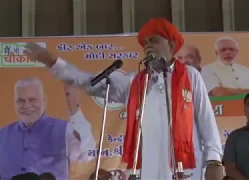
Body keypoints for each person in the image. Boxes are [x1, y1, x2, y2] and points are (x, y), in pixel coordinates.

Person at [24, 18, 223, 180]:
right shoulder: (134, 82)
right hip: (147, 171)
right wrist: (52, 61)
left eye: (153, 40)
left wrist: (214, 161)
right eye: (145, 43)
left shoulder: (190, 76)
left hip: (186, 169)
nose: (148, 46)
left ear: (171, 45)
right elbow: (88, 81)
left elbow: (207, 122)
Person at [0, 77, 95, 180]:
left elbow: (87, 154)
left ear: (44, 100)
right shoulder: (2, 134)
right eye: (20, 101)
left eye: (32, 99)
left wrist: (73, 107)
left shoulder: (63, 129)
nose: (26, 105)